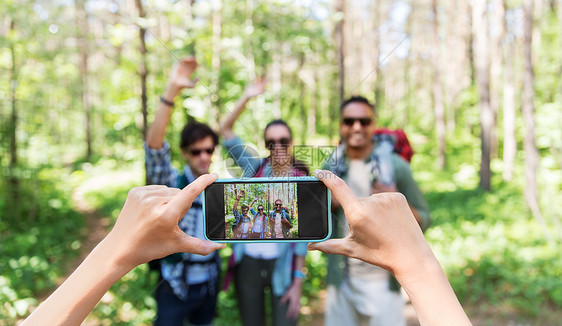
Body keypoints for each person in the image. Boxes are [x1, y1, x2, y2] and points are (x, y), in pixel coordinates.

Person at [22, 171, 472, 326]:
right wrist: (419, 268)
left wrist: (111, 255)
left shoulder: (292, 181)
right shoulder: (255, 173)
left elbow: (289, 237)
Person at [322, 96, 431, 326]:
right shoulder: (330, 167)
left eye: (364, 120)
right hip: (341, 279)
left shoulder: (394, 167)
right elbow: (312, 219)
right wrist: (326, 205)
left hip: (383, 280)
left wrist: (394, 201)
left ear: (374, 124)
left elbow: (424, 218)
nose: (357, 127)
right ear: (341, 125)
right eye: (349, 121)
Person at [218, 79, 308, 326]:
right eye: (271, 142)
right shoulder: (254, 167)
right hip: (248, 262)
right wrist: (246, 96)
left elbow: (303, 240)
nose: (278, 147)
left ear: (291, 142)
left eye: (283, 141)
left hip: (283, 266)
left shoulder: (303, 179)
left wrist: (298, 280)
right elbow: (225, 129)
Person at [144, 57, 221, 326]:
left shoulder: (220, 188)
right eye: (196, 151)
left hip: (209, 282)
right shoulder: (171, 184)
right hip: (174, 282)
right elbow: (154, 149)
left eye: (209, 150)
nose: (203, 156)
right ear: (185, 153)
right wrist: (171, 91)